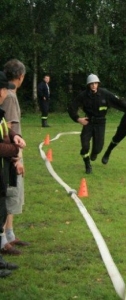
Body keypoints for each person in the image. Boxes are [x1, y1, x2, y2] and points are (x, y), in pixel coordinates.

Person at [68, 74, 126, 174]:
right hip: (88, 122)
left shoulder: (105, 93)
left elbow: (118, 102)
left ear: (98, 84)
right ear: (88, 85)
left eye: (95, 83)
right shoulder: (83, 95)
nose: (94, 85)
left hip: (100, 123)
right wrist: (78, 119)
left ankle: (94, 153)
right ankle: (87, 165)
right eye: (91, 84)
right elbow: (72, 107)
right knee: (85, 146)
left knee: (98, 148)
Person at [0, 59, 29, 257]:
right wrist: (17, 158)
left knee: (10, 195)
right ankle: (5, 238)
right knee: (9, 195)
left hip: (13, 149)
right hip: (10, 154)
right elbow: (7, 126)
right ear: (21, 76)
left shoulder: (10, 94)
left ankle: (9, 234)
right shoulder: (9, 96)